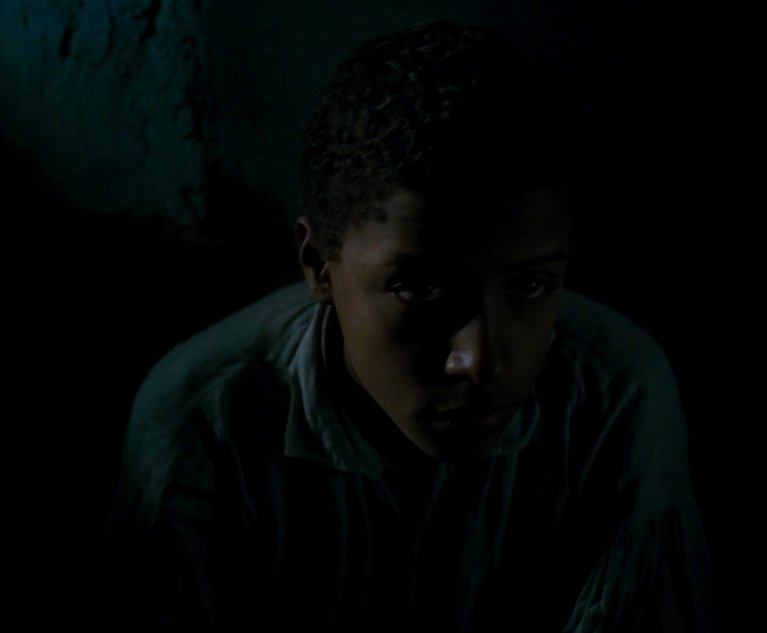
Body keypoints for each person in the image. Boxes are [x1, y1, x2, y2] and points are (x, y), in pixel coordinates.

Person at [104, 20, 721, 632]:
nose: (479, 360)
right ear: (317, 264)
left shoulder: (615, 396)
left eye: (530, 286)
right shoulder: (203, 422)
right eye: (421, 289)